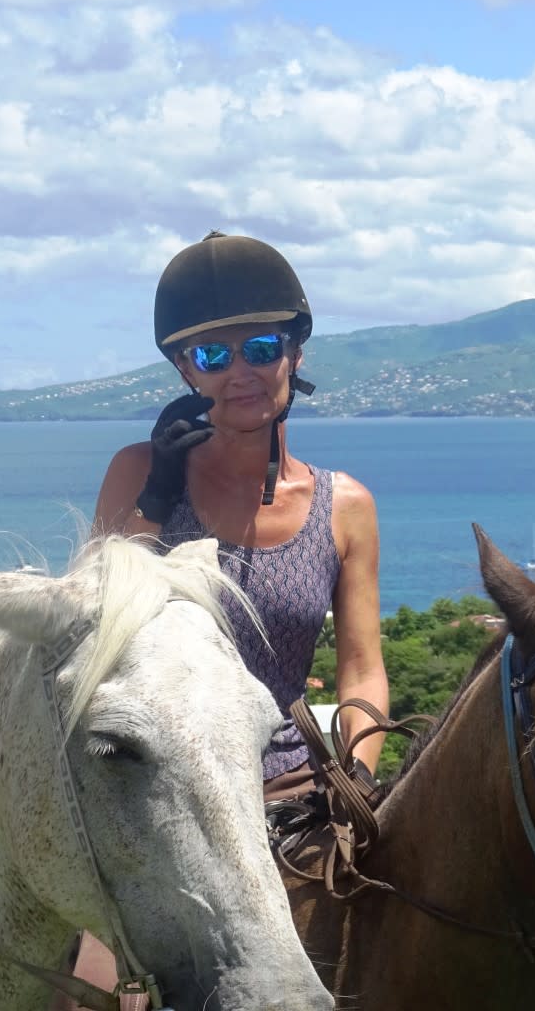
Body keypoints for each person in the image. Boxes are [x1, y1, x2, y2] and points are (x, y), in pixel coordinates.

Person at [94, 231, 388, 784]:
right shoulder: (137, 472)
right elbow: (92, 620)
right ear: (186, 370)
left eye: (260, 349)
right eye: (213, 356)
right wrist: (155, 499)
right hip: (160, 787)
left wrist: (358, 780)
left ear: (294, 354)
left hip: (290, 786)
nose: (239, 373)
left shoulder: (344, 507)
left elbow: (361, 670)